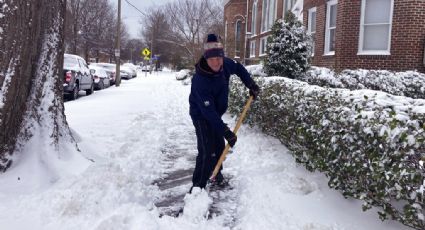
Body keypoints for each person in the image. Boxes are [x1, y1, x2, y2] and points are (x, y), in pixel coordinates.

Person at [189, 33, 260, 190]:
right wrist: (226, 131)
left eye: (219, 58)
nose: (216, 62)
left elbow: (239, 68)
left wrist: (251, 84)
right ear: (206, 59)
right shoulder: (200, 80)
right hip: (201, 115)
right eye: (212, 59)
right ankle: (197, 187)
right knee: (206, 151)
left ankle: (216, 173)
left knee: (219, 147)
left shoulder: (225, 64)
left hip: (216, 113)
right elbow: (208, 114)